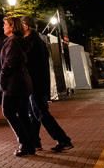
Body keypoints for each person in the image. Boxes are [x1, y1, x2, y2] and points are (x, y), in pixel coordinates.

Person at [21, 17, 73, 152]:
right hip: (38, 83)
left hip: (36, 83)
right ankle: (34, 142)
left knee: (41, 113)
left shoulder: (31, 42)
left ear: (26, 26)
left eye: (21, 25)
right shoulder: (37, 40)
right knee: (34, 114)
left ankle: (63, 139)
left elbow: (28, 62)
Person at [0, 16, 34, 157]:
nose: (3, 27)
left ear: (12, 26)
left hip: (14, 83)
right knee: (23, 114)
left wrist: (2, 79)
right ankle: (30, 144)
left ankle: (24, 143)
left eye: (5, 24)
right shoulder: (18, 41)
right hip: (22, 83)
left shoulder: (13, 41)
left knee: (8, 111)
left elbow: (9, 63)